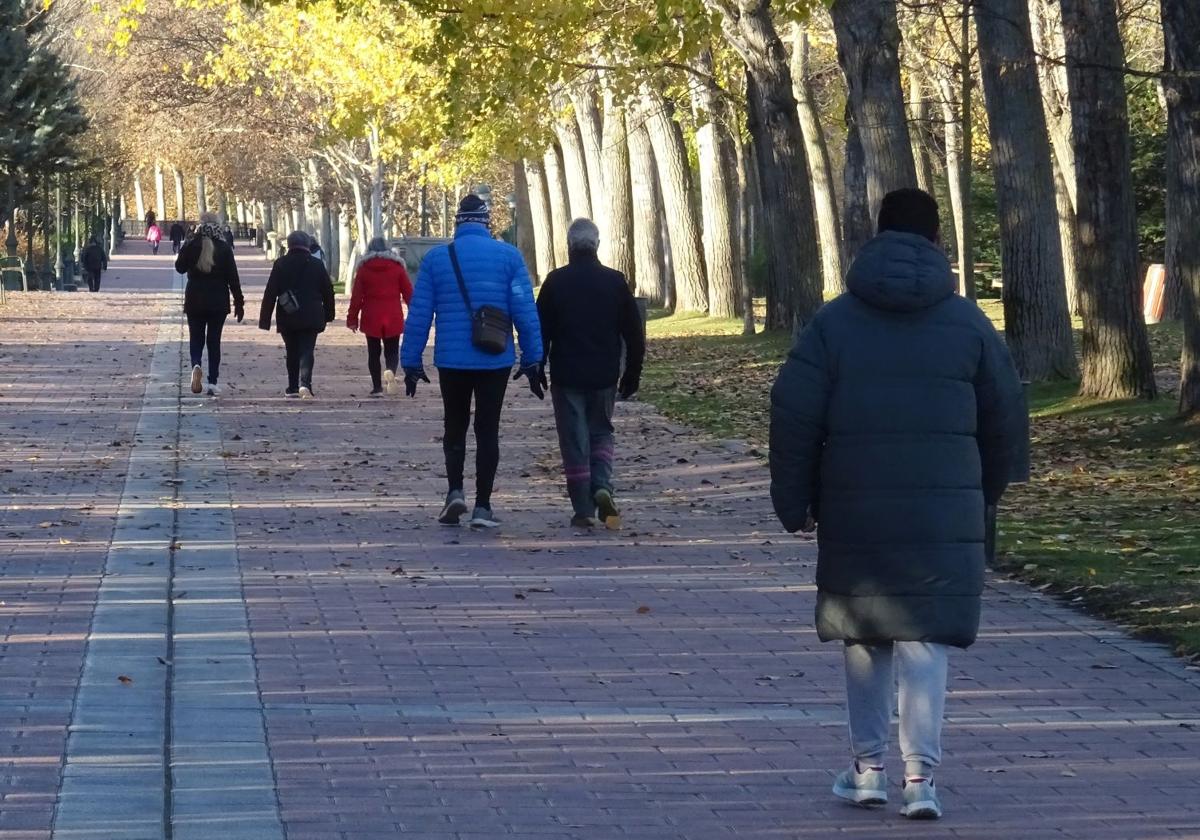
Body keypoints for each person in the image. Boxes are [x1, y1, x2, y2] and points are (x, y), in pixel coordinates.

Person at [768, 188, 1028, 821]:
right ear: (937, 241)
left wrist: (793, 501)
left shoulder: (834, 323)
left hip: (856, 498)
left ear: (876, 236)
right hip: (944, 507)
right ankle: (922, 778)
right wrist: (985, 495)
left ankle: (866, 770)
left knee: (864, 635)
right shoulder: (968, 323)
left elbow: (793, 414)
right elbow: (1006, 420)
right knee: (926, 636)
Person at [400, 194, 543, 529]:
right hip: (495, 359)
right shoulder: (509, 257)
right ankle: (483, 506)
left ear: (458, 222)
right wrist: (533, 358)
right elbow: (525, 311)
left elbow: (419, 314)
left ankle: (454, 492)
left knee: (455, 426)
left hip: (452, 359)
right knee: (487, 430)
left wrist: (410, 361)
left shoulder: (437, 260)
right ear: (486, 221)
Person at [536, 218, 644, 529]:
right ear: (596, 245)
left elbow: (541, 331)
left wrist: (536, 366)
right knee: (601, 431)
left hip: (567, 373)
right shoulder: (615, 281)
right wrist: (632, 372)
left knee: (574, 440)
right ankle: (602, 485)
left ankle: (582, 507)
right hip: (605, 373)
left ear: (569, 246)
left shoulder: (555, 282)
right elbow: (634, 333)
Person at [259, 230, 336, 400]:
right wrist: (329, 314)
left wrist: (265, 319)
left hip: (288, 313)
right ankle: (305, 384)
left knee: (292, 350)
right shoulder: (316, 265)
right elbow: (328, 291)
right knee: (307, 350)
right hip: (312, 314)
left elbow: (270, 292)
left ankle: (292, 386)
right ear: (308, 245)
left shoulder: (281, 263)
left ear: (289, 245)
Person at [176, 214, 244, 397]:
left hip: (195, 299)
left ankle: (196, 364)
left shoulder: (192, 245)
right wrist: (239, 302)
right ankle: (212, 382)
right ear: (218, 225)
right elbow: (233, 278)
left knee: (196, 338)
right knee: (214, 341)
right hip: (218, 301)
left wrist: (187, 244)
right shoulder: (224, 247)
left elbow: (179, 268)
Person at [347, 237, 414, 396]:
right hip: (392, 314)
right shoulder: (397, 268)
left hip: (371, 314)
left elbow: (356, 297)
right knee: (392, 350)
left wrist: (352, 319)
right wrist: (416, 312)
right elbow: (408, 292)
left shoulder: (363, 269)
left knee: (373, 352)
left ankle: (377, 387)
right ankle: (390, 370)